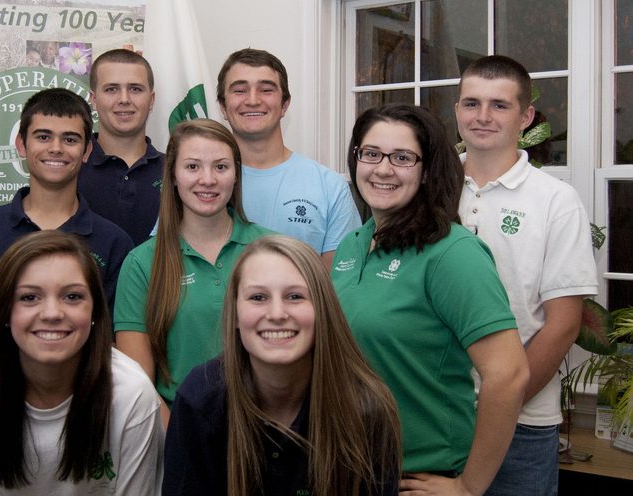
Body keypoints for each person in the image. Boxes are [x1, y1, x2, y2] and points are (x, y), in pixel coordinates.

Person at [331, 104, 530, 495]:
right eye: (370, 153)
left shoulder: (452, 253)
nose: (383, 169)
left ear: (427, 172)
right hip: (351, 468)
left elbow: (509, 374)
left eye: (403, 158)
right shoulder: (352, 244)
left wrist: (469, 488)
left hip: (416, 475)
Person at [455, 55, 598, 496]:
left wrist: (502, 401)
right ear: (456, 110)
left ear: (526, 116)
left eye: (499, 105)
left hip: (523, 426)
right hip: (436, 415)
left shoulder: (556, 200)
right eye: (471, 103)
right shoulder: (429, 190)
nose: (482, 117)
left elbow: (563, 325)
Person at [163, 235, 401, 495]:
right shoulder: (201, 401)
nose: (277, 314)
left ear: (322, 309)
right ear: (235, 314)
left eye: (295, 296)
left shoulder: (367, 407)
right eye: (257, 297)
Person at [0, 230, 162, 494]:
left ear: (94, 310)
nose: (52, 313)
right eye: (29, 297)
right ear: (4, 310)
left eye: (72, 296)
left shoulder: (131, 393)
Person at [0, 88, 133, 369]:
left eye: (70, 139)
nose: (56, 148)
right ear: (21, 144)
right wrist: (20, 398)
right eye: (43, 137)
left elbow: (114, 345)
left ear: (87, 151)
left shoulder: (114, 242)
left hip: (81, 405)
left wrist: (58, 398)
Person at [113, 119, 272, 427]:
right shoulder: (142, 263)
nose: (208, 179)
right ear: (172, 175)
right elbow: (138, 385)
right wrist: (184, 445)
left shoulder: (271, 251)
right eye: (192, 167)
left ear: (236, 175)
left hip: (265, 433)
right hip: (178, 435)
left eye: (221, 167)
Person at [216, 48, 360, 266]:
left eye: (266, 90)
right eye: (239, 90)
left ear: (284, 105)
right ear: (222, 107)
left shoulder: (330, 187)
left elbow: (339, 284)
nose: (252, 100)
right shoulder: (199, 185)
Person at [79, 48, 164, 246]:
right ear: (93, 100)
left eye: (135, 89)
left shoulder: (175, 171)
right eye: (111, 89)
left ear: (151, 100)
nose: (124, 99)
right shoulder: (69, 167)